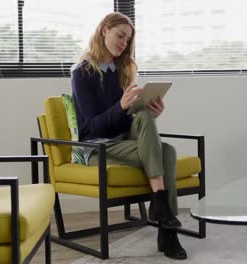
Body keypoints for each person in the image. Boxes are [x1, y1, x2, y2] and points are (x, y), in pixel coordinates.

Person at [71, 12, 187, 260]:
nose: (124, 43)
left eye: (128, 39)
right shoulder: (82, 72)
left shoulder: (119, 71)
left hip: (120, 140)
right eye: (120, 35)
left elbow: (123, 122)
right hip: (94, 148)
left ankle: (161, 212)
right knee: (167, 152)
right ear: (104, 30)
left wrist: (148, 112)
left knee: (144, 116)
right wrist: (121, 106)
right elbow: (92, 127)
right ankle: (167, 229)